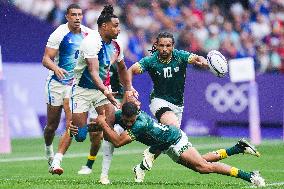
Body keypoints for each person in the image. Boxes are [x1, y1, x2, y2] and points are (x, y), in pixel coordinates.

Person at [82, 102, 265, 187]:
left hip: (174, 140)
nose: (128, 124)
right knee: (201, 162)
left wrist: (103, 123)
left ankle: (249, 176)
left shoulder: (140, 123)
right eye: (126, 121)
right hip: (166, 146)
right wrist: (83, 129)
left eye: (131, 121)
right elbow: (106, 126)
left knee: (203, 167)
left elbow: (117, 141)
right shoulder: (123, 115)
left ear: (136, 115)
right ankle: (238, 148)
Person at [50, 4, 137, 176]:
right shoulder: (91, 42)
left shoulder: (116, 45)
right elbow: (93, 72)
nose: (119, 29)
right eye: (115, 26)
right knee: (81, 135)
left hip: (102, 90)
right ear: (104, 26)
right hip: (82, 90)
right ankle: (64, 149)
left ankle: (103, 174)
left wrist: (129, 89)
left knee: (109, 125)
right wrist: (106, 92)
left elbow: (121, 69)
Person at [128, 31, 209, 171]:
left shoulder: (180, 56)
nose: (164, 49)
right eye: (161, 45)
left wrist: (202, 60)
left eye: (168, 45)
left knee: (170, 138)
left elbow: (196, 58)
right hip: (159, 101)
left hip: (177, 105)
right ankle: (151, 152)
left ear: (173, 46)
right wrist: (129, 88)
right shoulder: (150, 61)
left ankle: (141, 167)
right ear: (156, 46)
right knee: (173, 127)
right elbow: (131, 70)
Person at [42, 4, 93, 171]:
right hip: (57, 83)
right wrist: (56, 68)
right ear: (67, 17)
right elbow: (46, 59)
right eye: (73, 15)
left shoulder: (89, 34)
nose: (77, 18)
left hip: (75, 86)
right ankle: (48, 148)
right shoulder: (59, 34)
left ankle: (57, 161)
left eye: (79, 14)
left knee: (71, 122)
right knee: (52, 126)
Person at [77, 64, 125, 185]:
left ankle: (99, 170)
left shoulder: (112, 65)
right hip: (95, 98)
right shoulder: (88, 64)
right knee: (95, 134)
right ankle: (89, 165)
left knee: (108, 133)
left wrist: (121, 100)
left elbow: (122, 83)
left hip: (112, 99)